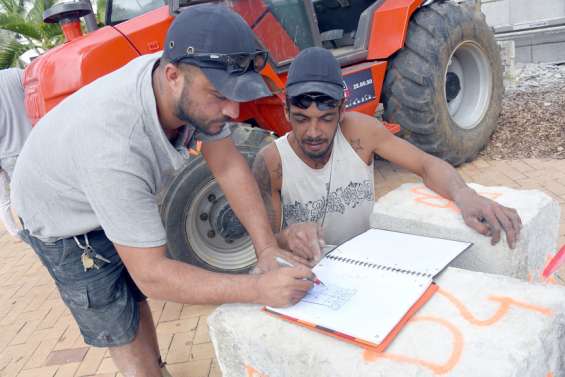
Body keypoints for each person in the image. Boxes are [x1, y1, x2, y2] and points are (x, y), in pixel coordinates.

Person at [11, 5, 313, 377]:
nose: (233, 110)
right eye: (220, 95)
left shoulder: (186, 75)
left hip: (91, 180)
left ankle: (157, 367)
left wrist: (266, 249)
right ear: (172, 76)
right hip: (59, 215)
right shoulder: (115, 148)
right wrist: (258, 289)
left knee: (135, 302)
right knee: (120, 318)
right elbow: (152, 275)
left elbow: (228, 165)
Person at [252, 47, 522, 262]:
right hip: (312, 274)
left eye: (325, 118)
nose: (313, 132)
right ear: (286, 111)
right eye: (301, 118)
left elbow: (425, 164)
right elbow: (267, 243)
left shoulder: (361, 132)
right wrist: (288, 237)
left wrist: (465, 195)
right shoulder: (272, 162)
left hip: (370, 260)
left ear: (342, 109)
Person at [0, 68, 32, 241]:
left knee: (26, 204)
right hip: (36, 142)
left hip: (9, 156)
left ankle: (38, 240)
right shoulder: (16, 74)